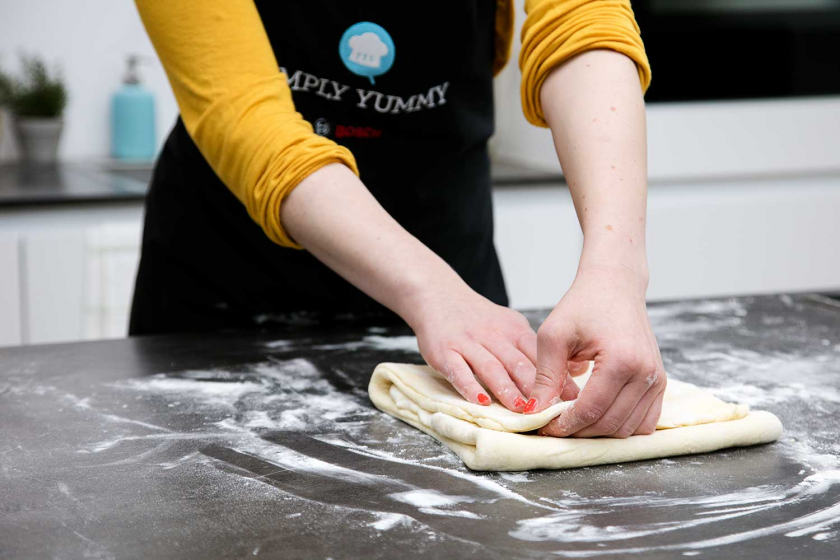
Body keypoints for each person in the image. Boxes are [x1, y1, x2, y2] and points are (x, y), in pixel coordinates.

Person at [130, 0, 667, 439]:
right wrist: (431, 292)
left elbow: (583, 22)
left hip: (453, 270)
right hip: (230, 282)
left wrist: (615, 269)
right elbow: (246, 119)